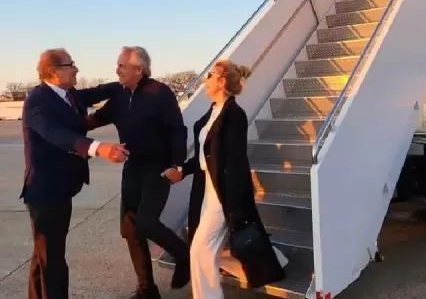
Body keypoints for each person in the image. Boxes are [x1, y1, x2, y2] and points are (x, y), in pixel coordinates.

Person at [162, 60, 288, 299]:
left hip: (223, 193)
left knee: (200, 251)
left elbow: (234, 164)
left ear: (220, 80)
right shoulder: (213, 111)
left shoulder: (234, 115)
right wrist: (183, 170)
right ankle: (273, 259)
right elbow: (206, 156)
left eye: (209, 75)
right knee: (206, 251)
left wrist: (234, 206)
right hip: (206, 189)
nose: (204, 80)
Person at [21, 48, 130, 299]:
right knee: (53, 260)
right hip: (44, 192)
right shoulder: (38, 101)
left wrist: (125, 80)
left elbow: (99, 91)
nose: (76, 69)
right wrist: (96, 147)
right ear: (53, 71)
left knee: (44, 255)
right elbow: (55, 134)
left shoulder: (68, 95)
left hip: (61, 189)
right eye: (71, 65)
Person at [87, 46, 190, 299]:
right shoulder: (120, 96)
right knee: (131, 230)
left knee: (146, 222)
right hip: (132, 168)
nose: (117, 70)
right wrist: (62, 127)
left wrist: (177, 165)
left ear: (138, 69)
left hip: (157, 168)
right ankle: (147, 290)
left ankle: (183, 254)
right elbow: (93, 120)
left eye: (122, 65)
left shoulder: (159, 93)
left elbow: (178, 130)